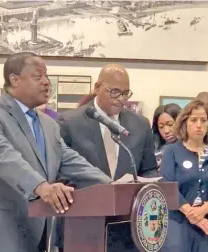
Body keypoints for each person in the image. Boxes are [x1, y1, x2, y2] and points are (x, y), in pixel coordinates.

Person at [0, 52, 112, 252]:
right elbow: (3, 157)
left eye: (46, 76)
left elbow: (69, 160)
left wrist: (112, 185)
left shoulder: (49, 124)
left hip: (37, 237)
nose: (46, 82)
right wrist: (42, 187)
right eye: (37, 76)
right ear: (14, 80)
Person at [57, 64, 158, 252]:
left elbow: (149, 168)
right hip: (83, 226)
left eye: (126, 93)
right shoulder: (69, 122)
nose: (121, 99)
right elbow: (59, 171)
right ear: (97, 88)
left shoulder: (140, 125)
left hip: (127, 228)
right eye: (115, 92)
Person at [160, 100, 208, 251]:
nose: (199, 125)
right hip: (179, 222)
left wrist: (203, 210)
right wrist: (193, 214)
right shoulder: (171, 151)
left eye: (203, 120)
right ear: (184, 123)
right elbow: (167, 186)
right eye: (193, 120)